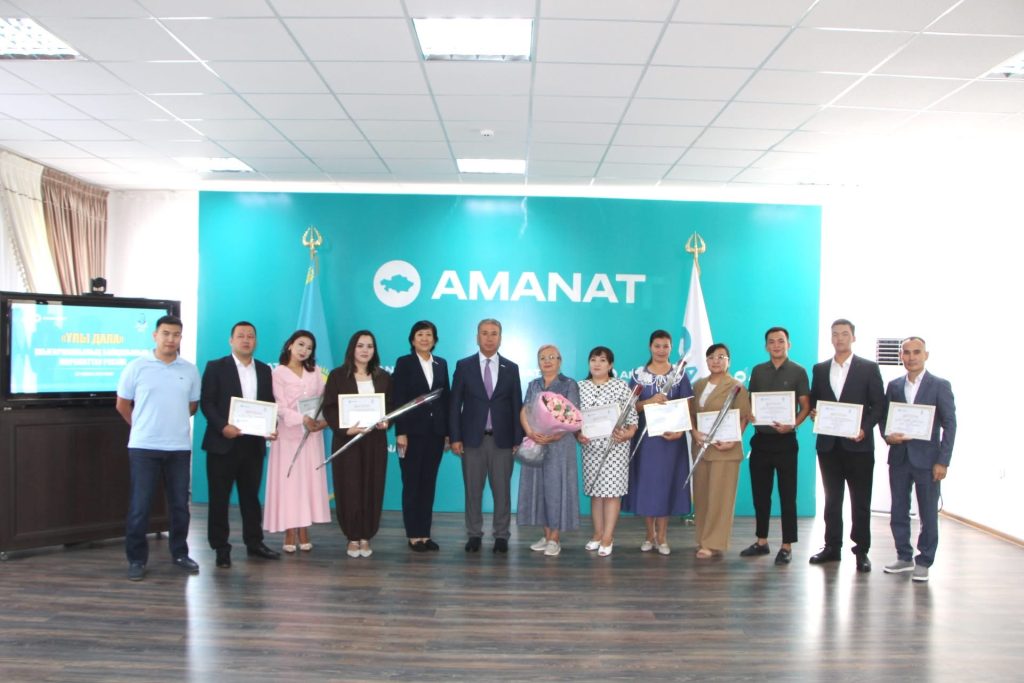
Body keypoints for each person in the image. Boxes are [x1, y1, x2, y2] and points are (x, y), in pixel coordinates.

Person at [116, 315, 201, 581]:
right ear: (155, 335)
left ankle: (180, 553)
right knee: (140, 506)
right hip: (144, 447)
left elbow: (192, 406)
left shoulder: (190, 370)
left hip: (178, 447)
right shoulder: (137, 367)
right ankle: (136, 559)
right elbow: (122, 404)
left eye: (176, 334)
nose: (171, 339)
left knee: (179, 505)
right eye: (166, 333)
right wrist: (141, 425)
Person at [201, 321, 280, 569]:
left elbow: (269, 404)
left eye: (251, 336)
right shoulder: (216, 367)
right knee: (219, 499)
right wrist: (222, 426)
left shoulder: (264, 369)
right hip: (222, 443)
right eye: (241, 336)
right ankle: (221, 548)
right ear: (231, 340)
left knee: (250, 498)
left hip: (253, 444)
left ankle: (254, 543)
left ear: (256, 341)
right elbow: (207, 403)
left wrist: (271, 425)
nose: (246, 340)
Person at [809, 319, 885, 572]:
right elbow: (815, 402)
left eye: (844, 334)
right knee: (832, 500)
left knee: (860, 501)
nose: (839, 338)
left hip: (859, 446)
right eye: (835, 334)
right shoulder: (820, 369)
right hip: (828, 446)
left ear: (853, 337)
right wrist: (814, 414)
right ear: (831, 338)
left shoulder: (869, 368)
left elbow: (879, 405)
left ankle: (861, 550)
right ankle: (832, 547)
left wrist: (864, 428)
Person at [881, 337, 957, 583]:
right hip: (899, 458)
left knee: (928, 513)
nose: (911, 357)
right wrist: (887, 436)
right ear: (900, 356)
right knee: (898, 510)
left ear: (926, 355)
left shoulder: (940, 386)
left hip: (928, 461)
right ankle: (904, 556)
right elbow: (885, 417)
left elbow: (950, 424)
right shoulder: (894, 385)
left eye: (916, 352)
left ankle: (924, 561)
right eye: (907, 352)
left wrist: (943, 461)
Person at [449, 318, 523, 554]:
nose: (489, 338)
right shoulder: (464, 366)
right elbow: (455, 404)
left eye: (494, 333)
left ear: (500, 338)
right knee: (473, 491)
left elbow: (517, 405)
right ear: (477, 337)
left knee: (502, 492)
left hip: (502, 441)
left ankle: (501, 536)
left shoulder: (511, 368)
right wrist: (455, 437)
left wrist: (517, 439)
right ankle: (474, 534)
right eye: (484, 333)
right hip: (472, 440)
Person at [739, 326, 811, 565]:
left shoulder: (799, 371)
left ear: (788, 344)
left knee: (787, 496)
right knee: (761, 495)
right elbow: (752, 403)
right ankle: (761, 541)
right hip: (760, 441)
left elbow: (805, 406)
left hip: (786, 442)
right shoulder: (758, 371)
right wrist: (749, 414)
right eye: (772, 342)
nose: (776, 345)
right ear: (766, 346)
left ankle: (787, 545)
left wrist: (793, 424)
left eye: (781, 341)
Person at [622, 329, 693, 556]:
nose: (661, 350)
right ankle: (649, 534)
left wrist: (681, 431)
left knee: (666, 486)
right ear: (650, 347)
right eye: (657, 346)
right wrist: (649, 401)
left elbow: (687, 406)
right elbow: (629, 408)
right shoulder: (638, 375)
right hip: (645, 442)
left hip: (671, 441)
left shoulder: (679, 374)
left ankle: (662, 537)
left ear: (671, 348)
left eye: (666, 346)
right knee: (647, 486)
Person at [324, 330, 392, 559]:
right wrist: (345, 429)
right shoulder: (337, 376)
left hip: (375, 441)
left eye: (370, 346)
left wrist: (387, 421)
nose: (365, 350)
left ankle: (366, 535)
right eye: (360, 345)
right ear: (352, 348)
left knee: (373, 486)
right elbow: (329, 408)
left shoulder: (383, 377)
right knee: (349, 487)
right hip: (348, 440)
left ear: (375, 350)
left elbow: (390, 407)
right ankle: (353, 537)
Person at [262, 330, 331, 553]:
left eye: (309, 348)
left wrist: (323, 421)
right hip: (288, 436)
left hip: (312, 437)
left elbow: (323, 401)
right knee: (290, 484)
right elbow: (280, 407)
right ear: (290, 345)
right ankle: (290, 531)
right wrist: (302, 419)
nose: (304, 350)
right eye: (301, 345)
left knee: (307, 484)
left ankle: (304, 529)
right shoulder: (278, 373)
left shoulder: (315, 372)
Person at [689, 343, 752, 559]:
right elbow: (690, 415)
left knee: (720, 498)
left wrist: (733, 440)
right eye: (711, 357)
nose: (716, 361)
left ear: (729, 361)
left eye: (721, 357)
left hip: (726, 450)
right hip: (701, 448)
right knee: (702, 497)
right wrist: (694, 433)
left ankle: (713, 543)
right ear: (706, 361)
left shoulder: (736, 387)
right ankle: (702, 539)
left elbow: (744, 417)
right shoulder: (698, 385)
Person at [391, 320, 450, 552]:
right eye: (420, 334)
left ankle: (425, 533)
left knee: (428, 484)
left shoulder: (441, 363)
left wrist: (448, 433)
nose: (425, 339)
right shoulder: (404, 363)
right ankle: (413, 534)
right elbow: (399, 398)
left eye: (429, 335)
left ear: (435, 340)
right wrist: (401, 432)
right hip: (411, 434)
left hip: (435, 434)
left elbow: (446, 398)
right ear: (412, 339)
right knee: (412, 484)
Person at [517, 344, 581, 556]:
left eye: (552, 357)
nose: (547, 361)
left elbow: (573, 415)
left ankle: (555, 538)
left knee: (555, 488)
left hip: (560, 445)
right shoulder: (534, 384)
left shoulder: (568, 384)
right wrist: (530, 432)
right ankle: (545, 535)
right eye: (543, 357)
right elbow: (525, 410)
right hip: (536, 442)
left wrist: (554, 435)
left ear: (560, 361)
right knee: (539, 489)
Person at [578, 346, 637, 557]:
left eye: (602, 360)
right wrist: (577, 434)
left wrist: (628, 434)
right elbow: (574, 419)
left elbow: (632, 418)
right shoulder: (580, 387)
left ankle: (608, 537)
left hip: (616, 448)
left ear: (610, 365)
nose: (597, 364)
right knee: (596, 493)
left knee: (611, 493)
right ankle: (597, 534)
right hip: (591, 448)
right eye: (593, 359)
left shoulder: (620, 386)